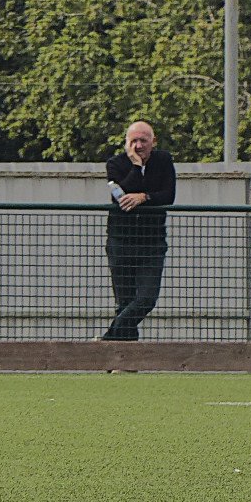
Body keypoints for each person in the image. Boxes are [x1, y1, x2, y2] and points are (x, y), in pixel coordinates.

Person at [101, 120, 177, 342]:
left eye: (143, 140)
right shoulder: (115, 164)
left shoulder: (164, 160)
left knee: (146, 299)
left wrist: (144, 197)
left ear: (153, 141)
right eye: (133, 141)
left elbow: (168, 195)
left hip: (152, 242)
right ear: (126, 142)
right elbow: (120, 197)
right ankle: (124, 355)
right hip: (120, 241)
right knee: (124, 303)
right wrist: (136, 167)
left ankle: (108, 339)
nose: (138, 146)